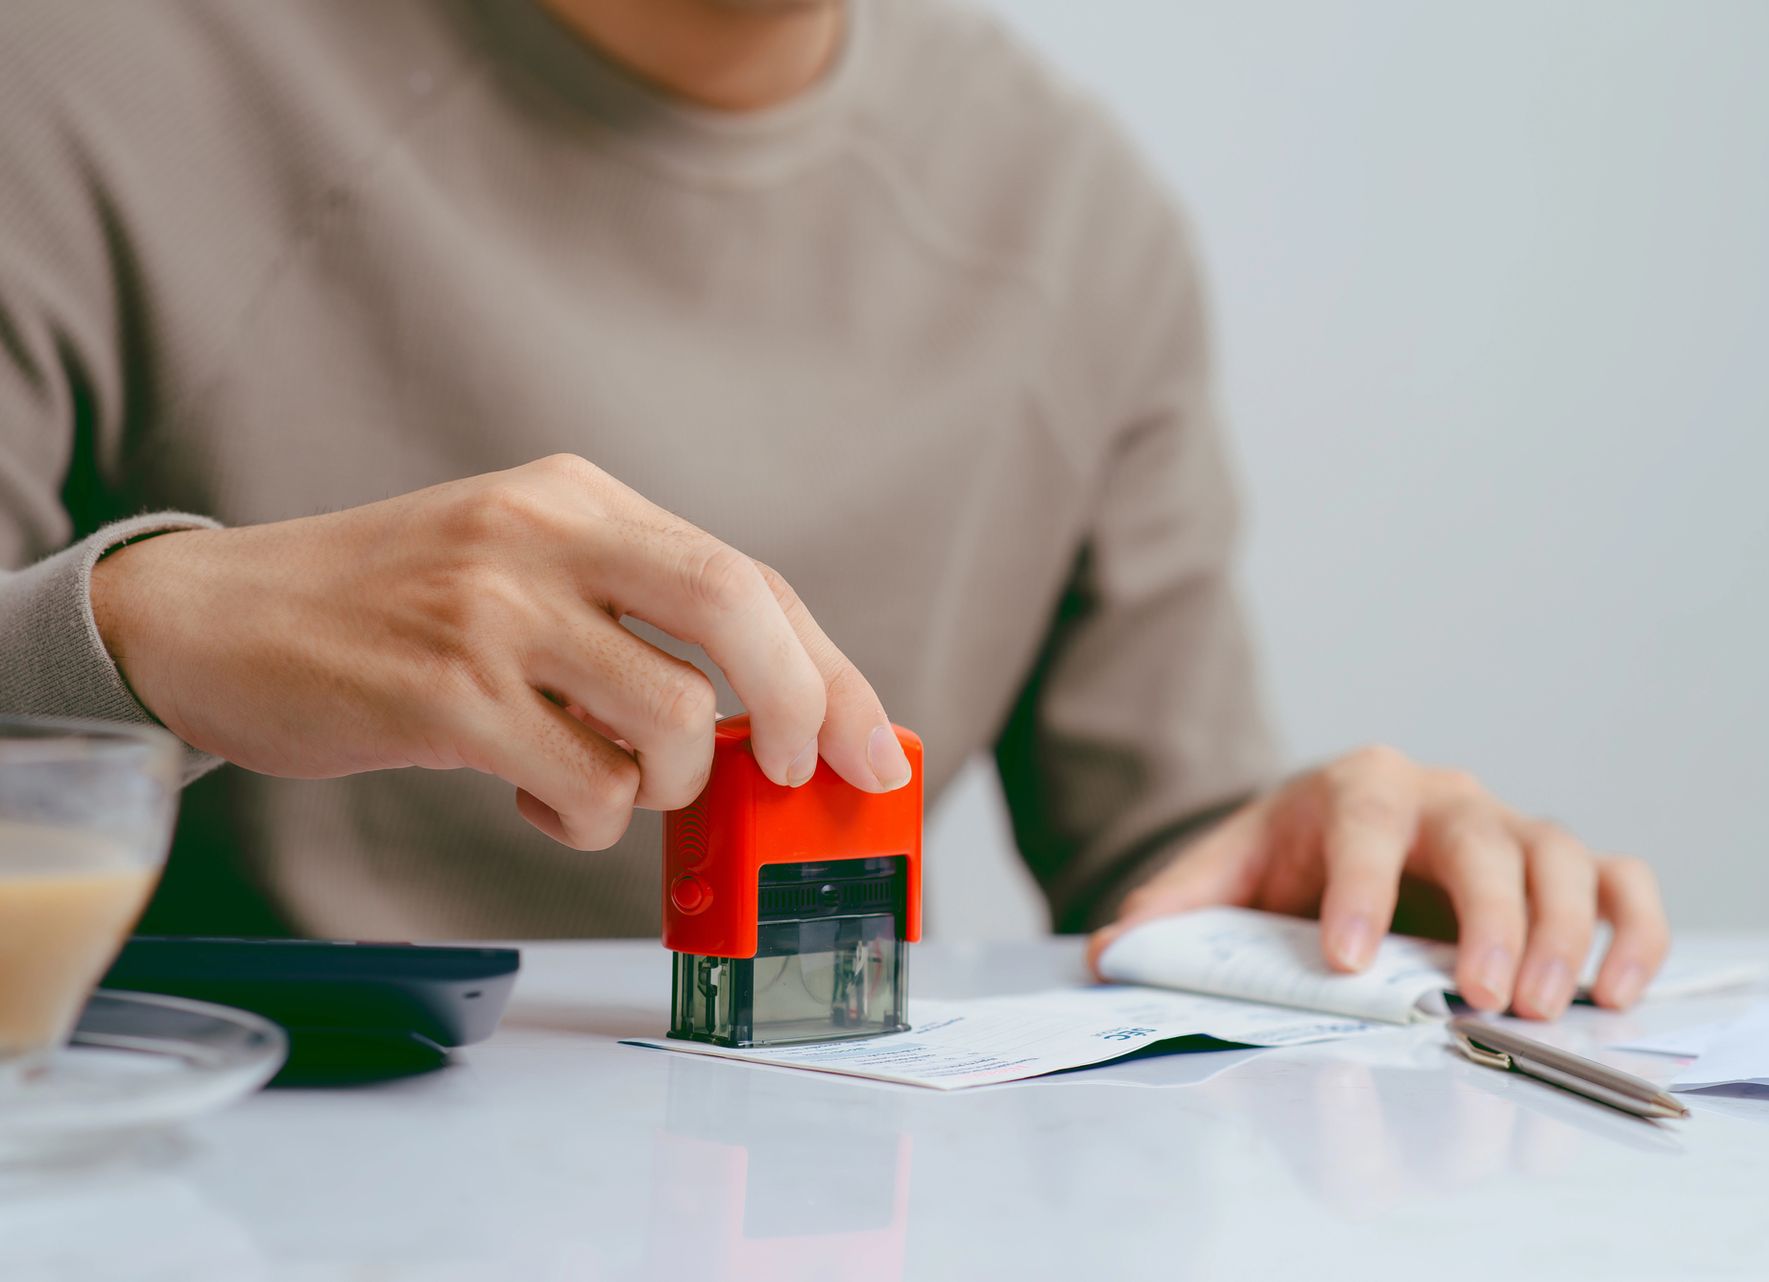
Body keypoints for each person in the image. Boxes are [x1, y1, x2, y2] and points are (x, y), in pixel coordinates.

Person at [0, 0, 1666, 1020]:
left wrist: (1317, 897)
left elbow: (1161, 860)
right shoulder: (70, 69)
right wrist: (146, 629)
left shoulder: (1077, 216)